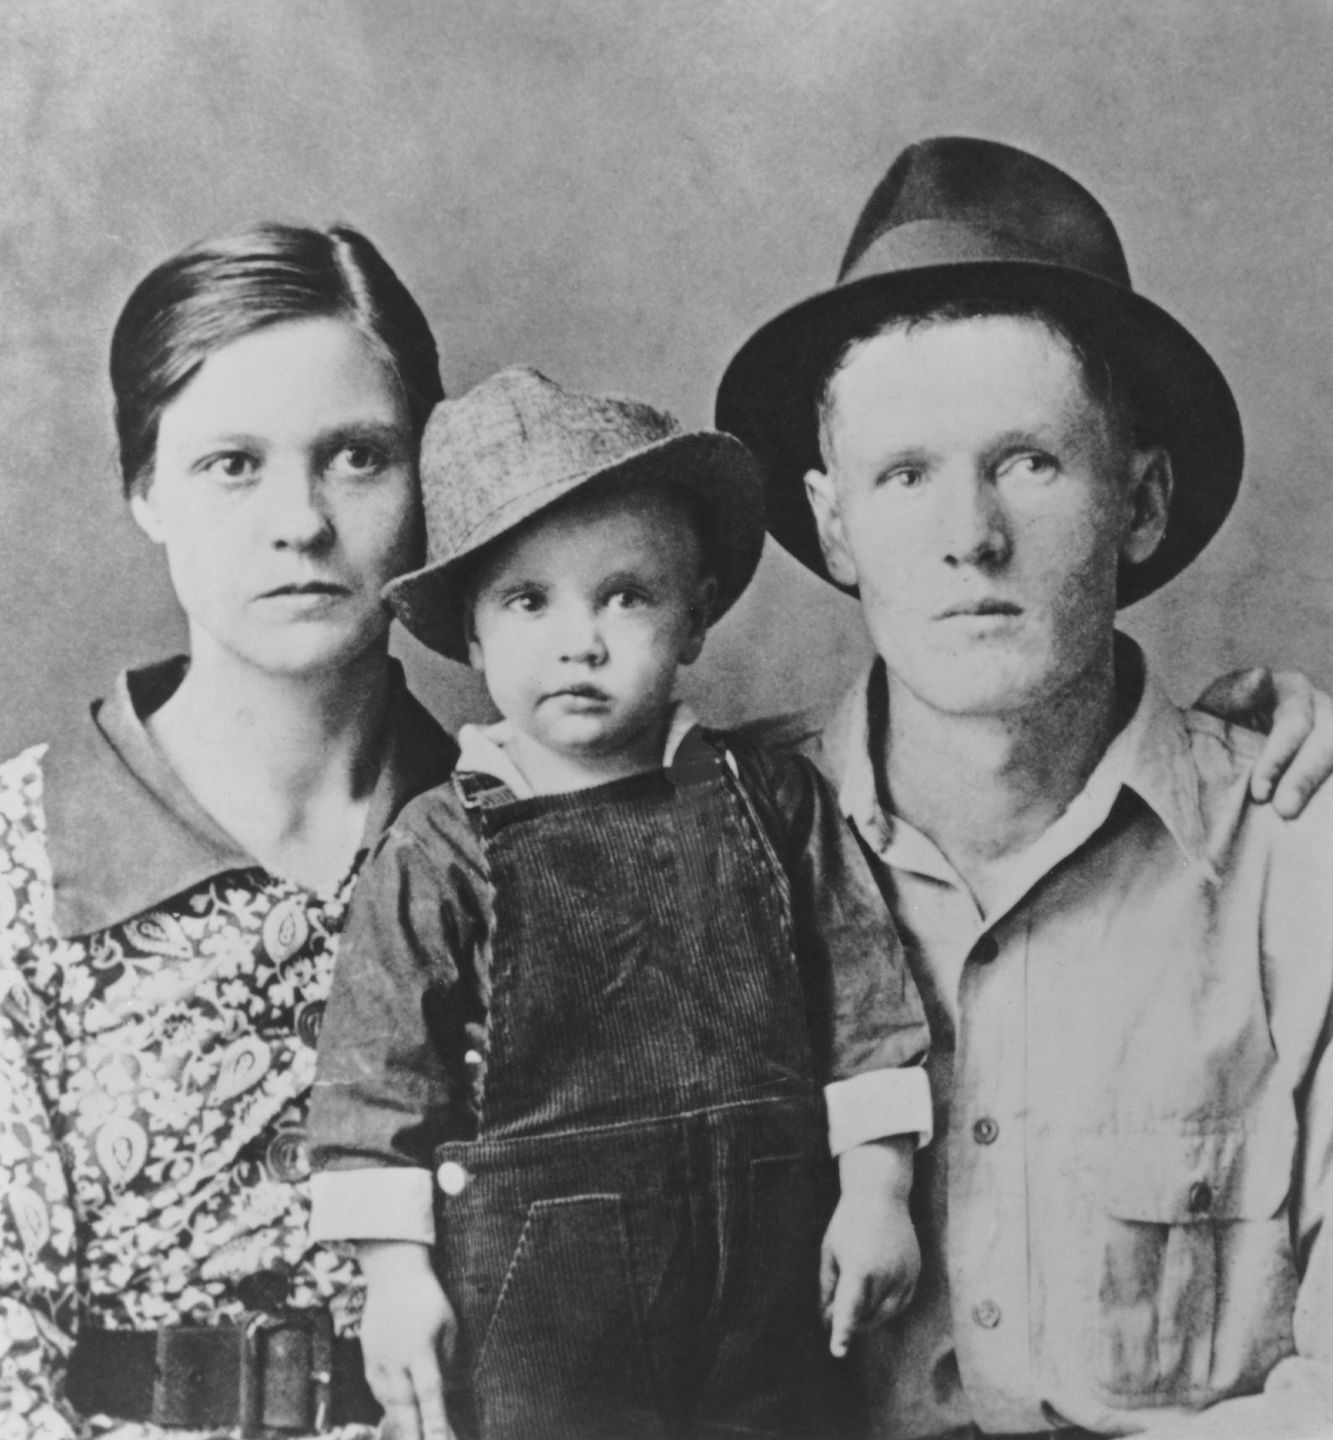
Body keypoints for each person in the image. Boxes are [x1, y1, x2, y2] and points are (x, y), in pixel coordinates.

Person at [715, 135, 1333, 1437]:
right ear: (833, 527)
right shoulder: (712, 851)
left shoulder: (1301, 863)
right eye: (904, 475)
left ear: (1142, 504)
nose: (969, 535)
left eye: (1030, 463)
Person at [308, 366, 933, 1440]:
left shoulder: (770, 800)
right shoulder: (441, 847)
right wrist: (396, 1280)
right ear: (471, 638)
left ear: (692, 622)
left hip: (766, 1294)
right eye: (528, 601)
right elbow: (376, 1086)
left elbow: (868, 1008)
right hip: (549, 1319)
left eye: (627, 595)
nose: (580, 640)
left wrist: (876, 1191)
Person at [0, 223, 458, 1439]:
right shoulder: (20, 862)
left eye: (359, 457)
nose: (301, 521)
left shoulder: (518, 847)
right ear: (145, 488)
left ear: (428, 485)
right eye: (232, 465)